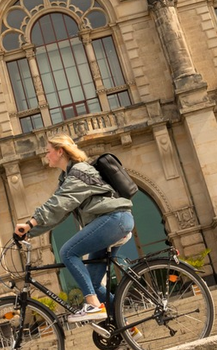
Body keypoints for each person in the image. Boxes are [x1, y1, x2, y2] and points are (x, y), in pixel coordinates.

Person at [14, 134, 134, 323]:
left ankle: (93, 306)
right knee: (93, 284)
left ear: (60, 151)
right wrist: (30, 232)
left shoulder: (78, 172)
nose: (46, 155)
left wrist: (30, 223)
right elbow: (59, 213)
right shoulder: (67, 178)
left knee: (68, 251)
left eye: (48, 151)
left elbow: (57, 203)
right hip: (110, 222)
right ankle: (124, 325)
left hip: (114, 219)